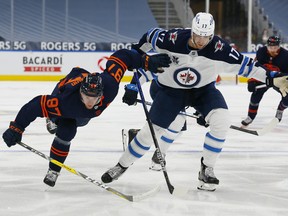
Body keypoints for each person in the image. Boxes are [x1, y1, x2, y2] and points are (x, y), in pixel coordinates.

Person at [100, 12, 288, 192]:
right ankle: (121, 166)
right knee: (150, 132)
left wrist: (272, 78)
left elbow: (248, 67)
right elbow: (150, 35)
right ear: (192, 30)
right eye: (197, 35)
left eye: (206, 37)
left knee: (221, 120)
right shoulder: (171, 39)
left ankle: (206, 169)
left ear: (212, 35)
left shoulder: (219, 48)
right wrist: (137, 58)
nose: (200, 40)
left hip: (203, 92)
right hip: (171, 92)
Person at [2, 49, 171, 187]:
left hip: (81, 108)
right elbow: (35, 105)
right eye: (86, 96)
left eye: (94, 98)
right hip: (64, 94)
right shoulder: (64, 101)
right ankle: (53, 166)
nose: (90, 102)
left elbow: (122, 57)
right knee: (67, 130)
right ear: (80, 92)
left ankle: (57, 122)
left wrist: (145, 61)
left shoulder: (110, 85)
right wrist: (16, 127)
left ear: (101, 94)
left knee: (81, 120)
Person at [121, 68, 208, 171]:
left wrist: (204, 109)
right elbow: (145, 69)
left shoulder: (205, 62)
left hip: (181, 91)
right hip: (163, 88)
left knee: (178, 130)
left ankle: (139, 135)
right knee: (178, 121)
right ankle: (159, 155)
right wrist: (133, 87)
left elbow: (203, 87)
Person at [241, 36, 288, 127]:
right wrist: (252, 81)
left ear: (279, 46)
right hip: (264, 78)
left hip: (279, 80)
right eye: (270, 47)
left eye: (275, 47)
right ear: (267, 46)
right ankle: (250, 117)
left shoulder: (285, 56)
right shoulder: (261, 52)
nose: (272, 50)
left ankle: (280, 110)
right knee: (255, 95)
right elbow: (255, 67)